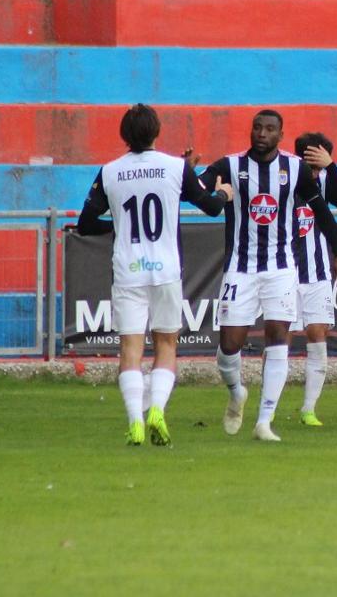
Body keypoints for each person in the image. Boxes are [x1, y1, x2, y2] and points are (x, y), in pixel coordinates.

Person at [76, 104, 233, 447]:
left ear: (124, 135)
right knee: (166, 343)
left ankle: (134, 420)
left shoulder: (110, 171)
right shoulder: (176, 168)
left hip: (127, 270)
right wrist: (223, 193)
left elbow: (86, 224)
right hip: (166, 270)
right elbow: (210, 207)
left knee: (131, 349)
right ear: (157, 131)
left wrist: (118, 227)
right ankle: (157, 411)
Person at [199, 110, 337, 442]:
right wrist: (193, 177)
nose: (262, 133)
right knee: (229, 346)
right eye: (257, 127)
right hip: (241, 268)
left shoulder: (294, 168)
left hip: (281, 268)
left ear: (280, 135)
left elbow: (325, 210)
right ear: (251, 131)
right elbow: (202, 197)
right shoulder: (230, 165)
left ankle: (264, 421)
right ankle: (237, 392)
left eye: (269, 129)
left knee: (279, 337)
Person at [291, 131, 337, 427]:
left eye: (319, 165)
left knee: (317, 333)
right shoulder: (283, 181)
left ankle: (308, 409)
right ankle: (269, 406)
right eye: (310, 165)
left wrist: (331, 167)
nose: (314, 172)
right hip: (285, 272)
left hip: (318, 273)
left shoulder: (326, 180)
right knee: (280, 338)